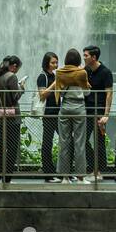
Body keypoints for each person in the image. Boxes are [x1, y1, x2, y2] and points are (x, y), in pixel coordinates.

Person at [51, 48, 92, 183]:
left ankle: (64, 177)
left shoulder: (60, 73)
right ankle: (80, 177)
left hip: (65, 107)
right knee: (79, 143)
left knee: (64, 142)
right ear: (78, 60)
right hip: (79, 107)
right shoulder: (82, 73)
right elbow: (86, 94)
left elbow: (60, 92)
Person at [0, 56, 24, 183]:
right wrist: (21, 87)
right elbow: (15, 97)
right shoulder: (12, 76)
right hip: (11, 115)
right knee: (13, 146)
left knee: (2, 145)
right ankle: (7, 177)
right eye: (17, 68)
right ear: (14, 66)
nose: (17, 71)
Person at [83, 46, 114, 177]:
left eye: (86, 56)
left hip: (99, 110)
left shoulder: (105, 72)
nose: (84, 58)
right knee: (82, 139)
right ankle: (93, 166)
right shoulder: (85, 70)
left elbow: (109, 94)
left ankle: (100, 171)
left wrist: (106, 114)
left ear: (94, 57)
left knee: (99, 140)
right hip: (85, 109)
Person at [36, 52, 60, 180]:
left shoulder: (54, 75)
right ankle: (48, 173)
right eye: (52, 62)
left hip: (58, 113)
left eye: (56, 62)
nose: (55, 65)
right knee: (47, 143)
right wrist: (55, 84)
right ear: (46, 63)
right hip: (48, 114)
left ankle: (62, 171)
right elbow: (42, 94)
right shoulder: (42, 76)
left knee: (66, 140)